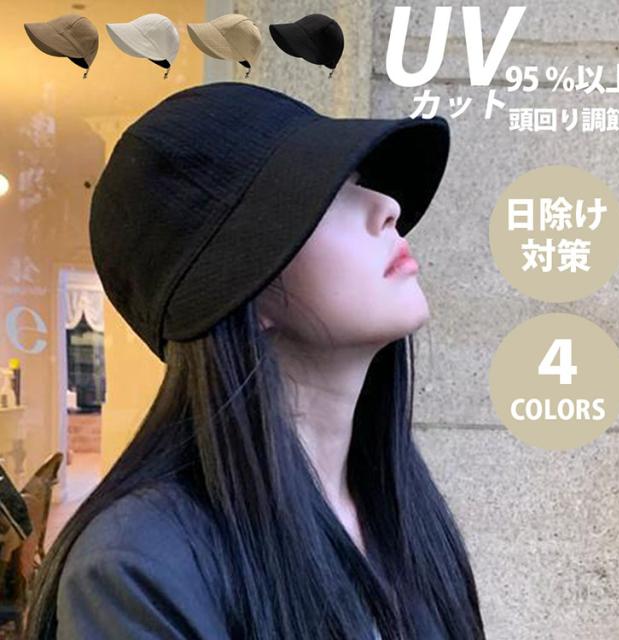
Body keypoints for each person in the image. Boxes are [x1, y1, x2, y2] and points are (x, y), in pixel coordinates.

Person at [24, 82, 485, 639]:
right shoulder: (140, 564)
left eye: (361, 181)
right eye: (327, 194)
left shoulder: (402, 516)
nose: (387, 207)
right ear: (240, 287)